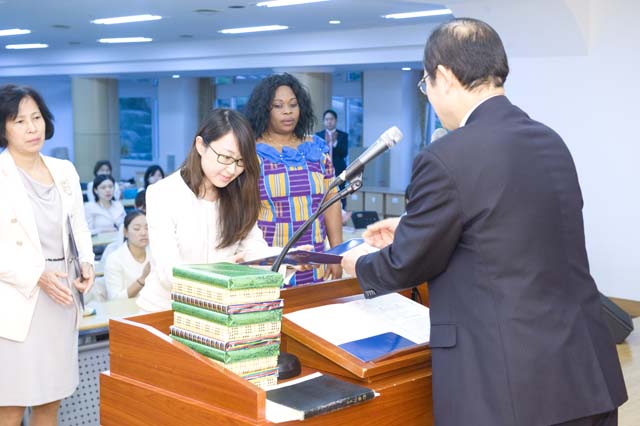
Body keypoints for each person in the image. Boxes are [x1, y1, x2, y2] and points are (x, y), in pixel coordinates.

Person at [342, 18, 627, 426]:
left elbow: (407, 264)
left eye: (425, 84)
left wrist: (360, 264)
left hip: (510, 386)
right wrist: (410, 227)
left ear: (443, 76)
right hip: (584, 372)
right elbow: (509, 226)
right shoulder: (549, 140)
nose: (429, 96)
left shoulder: (446, 156)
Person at [0, 84, 94, 425]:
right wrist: (36, 276)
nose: (31, 128)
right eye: (19, 120)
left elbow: (79, 227)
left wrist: (87, 263)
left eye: (36, 117)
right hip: (19, 301)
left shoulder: (64, 169)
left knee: (50, 401)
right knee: (10, 405)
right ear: (4, 128)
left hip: (61, 299)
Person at [137, 109, 272, 311]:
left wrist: (286, 258)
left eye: (240, 161)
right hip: (165, 310)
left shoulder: (239, 194)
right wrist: (218, 272)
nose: (232, 170)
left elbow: (254, 250)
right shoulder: (163, 193)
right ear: (200, 145)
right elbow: (168, 271)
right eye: (225, 157)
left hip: (218, 309)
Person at [245, 73, 343, 286]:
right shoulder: (251, 154)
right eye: (278, 106)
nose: (287, 111)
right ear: (264, 109)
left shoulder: (316, 149)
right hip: (270, 264)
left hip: (315, 261)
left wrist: (336, 253)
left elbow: (331, 202)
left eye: (293, 104)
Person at [104, 210, 150, 300]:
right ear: (125, 232)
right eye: (137, 229)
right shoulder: (114, 260)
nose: (143, 233)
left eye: (147, 228)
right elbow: (115, 299)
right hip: (128, 308)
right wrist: (142, 279)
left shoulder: (155, 253)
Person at [315, 109, 349, 208]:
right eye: (327, 119)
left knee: (340, 193)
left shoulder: (343, 135)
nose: (329, 121)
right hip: (322, 170)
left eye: (331, 119)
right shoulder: (318, 136)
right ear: (323, 121)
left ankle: (342, 212)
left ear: (335, 120)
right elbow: (316, 154)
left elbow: (344, 153)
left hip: (339, 170)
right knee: (323, 194)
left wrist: (334, 142)